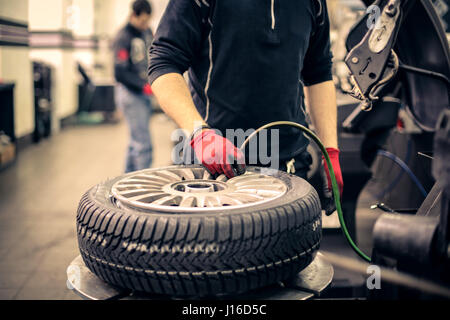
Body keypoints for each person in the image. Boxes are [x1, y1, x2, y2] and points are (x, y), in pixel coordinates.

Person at [148, 0, 344, 196]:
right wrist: (200, 134)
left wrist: (330, 152)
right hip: (214, 168)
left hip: (290, 163)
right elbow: (163, 63)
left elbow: (319, 74)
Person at [113, 0, 154, 173]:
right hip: (131, 94)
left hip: (143, 94)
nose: (145, 25)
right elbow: (120, 73)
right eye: (142, 21)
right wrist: (143, 86)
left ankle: (126, 184)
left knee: (134, 144)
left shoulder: (147, 32)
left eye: (148, 21)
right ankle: (141, 188)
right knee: (143, 146)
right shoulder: (124, 36)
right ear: (133, 16)